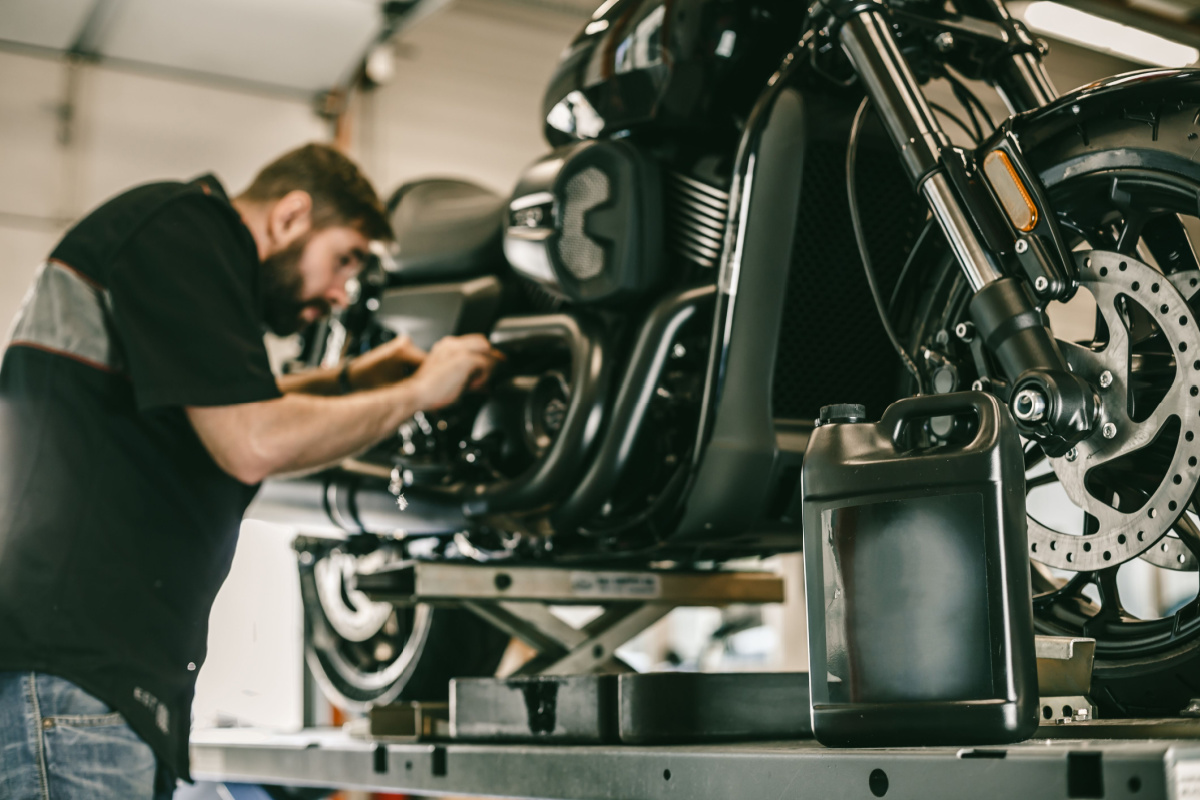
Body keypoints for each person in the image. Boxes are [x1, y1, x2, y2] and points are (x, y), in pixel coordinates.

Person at [0, 143, 501, 799]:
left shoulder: (177, 242)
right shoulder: (185, 232)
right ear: (292, 215)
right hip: (76, 682)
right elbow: (252, 440)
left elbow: (230, 406)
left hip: (92, 684)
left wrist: (355, 378)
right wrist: (420, 391)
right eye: (344, 257)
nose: (341, 290)